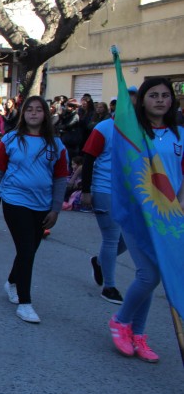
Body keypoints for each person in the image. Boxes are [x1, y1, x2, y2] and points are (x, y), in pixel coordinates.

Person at [108, 78, 182, 363]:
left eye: (165, 95)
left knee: (154, 276)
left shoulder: (180, 136)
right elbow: (125, 172)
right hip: (139, 215)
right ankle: (120, 320)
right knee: (149, 275)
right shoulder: (133, 135)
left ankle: (138, 334)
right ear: (143, 100)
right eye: (154, 95)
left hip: (170, 217)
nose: (160, 100)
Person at [0, 96, 68, 323]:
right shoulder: (10, 139)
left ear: (45, 115)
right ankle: (25, 302)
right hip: (15, 201)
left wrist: (56, 209)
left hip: (43, 205)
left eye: (38, 110)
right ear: (22, 113)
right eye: (28, 109)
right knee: (27, 250)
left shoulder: (56, 145)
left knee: (28, 250)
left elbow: (61, 178)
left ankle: (12, 281)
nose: (33, 113)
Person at [81, 109, 128, 304]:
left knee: (127, 241)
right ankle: (109, 287)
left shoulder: (139, 131)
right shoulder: (103, 128)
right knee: (111, 238)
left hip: (127, 193)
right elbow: (88, 159)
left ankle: (99, 261)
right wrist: (86, 190)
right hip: (104, 189)